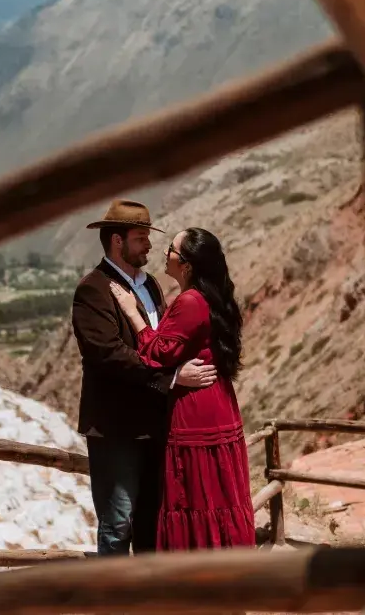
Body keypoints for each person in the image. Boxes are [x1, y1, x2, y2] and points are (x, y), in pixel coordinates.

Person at [72, 199, 218, 556]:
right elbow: (109, 355)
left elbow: (161, 342)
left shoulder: (150, 284)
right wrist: (169, 379)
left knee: (154, 515)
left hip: (155, 422)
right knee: (118, 521)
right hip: (116, 426)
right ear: (117, 242)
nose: (150, 246)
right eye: (141, 238)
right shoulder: (92, 289)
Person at [109, 227, 254, 550]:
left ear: (186, 265)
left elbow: (160, 352)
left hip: (196, 407)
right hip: (217, 400)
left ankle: (197, 573)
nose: (165, 253)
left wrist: (133, 315)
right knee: (216, 490)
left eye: (171, 250)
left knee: (194, 489)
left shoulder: (189, 301)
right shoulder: (212, 296)